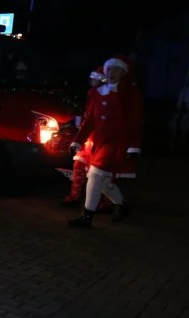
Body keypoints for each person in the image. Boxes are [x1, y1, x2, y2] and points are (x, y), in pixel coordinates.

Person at [69, 55, 143, 227]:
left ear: (123, 72)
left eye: (116, 69)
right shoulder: (98, 92)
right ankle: (121, 204)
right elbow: (90, 121)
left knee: (95, 175)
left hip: (116, 145)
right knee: (102, 181)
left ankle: (86, 216)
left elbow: (135, 121)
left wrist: (133, 146)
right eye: (109, 69)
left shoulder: (130, 94)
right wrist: (78, 141)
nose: (111, 72)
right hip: (98, 144)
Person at [61, 66, 108, 207]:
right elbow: (88, 116)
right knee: (79, 165)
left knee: (101, 171)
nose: (92, 82)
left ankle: (106, 202)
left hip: (100, 139)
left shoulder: (107, 95)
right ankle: (75, 197)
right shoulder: (92, 93)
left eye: (95, 79)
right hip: (88, 137)